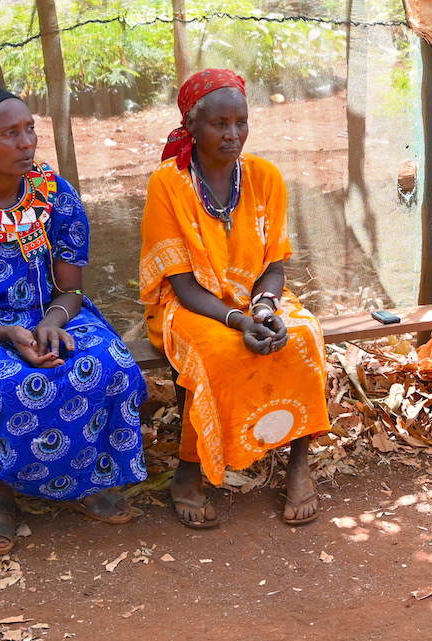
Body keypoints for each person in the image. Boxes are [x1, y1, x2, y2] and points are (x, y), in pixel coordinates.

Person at [0, 88, 146, 554]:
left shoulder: (55, 195)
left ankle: (88, 478)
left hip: (52, 317)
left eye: (30, 130)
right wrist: (7, 334)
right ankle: (2, 493)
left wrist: (53, 319)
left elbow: (71, 289)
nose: (26, 143)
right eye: (10, 134)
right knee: (10, 385)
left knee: (110, 366)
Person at [139, 68, 330, 528]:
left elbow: (274, 266)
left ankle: (298, 463)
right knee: (216, 354)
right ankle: (189, 473)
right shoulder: (169, 183)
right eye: (218, 124)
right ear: (191, 126)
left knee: (302, 337)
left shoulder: (264, 177)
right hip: (189, 306)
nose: (232, 134)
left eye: (240, 122)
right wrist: (239, 320)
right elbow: (183, 287)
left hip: (252, 299)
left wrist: (263, 309)